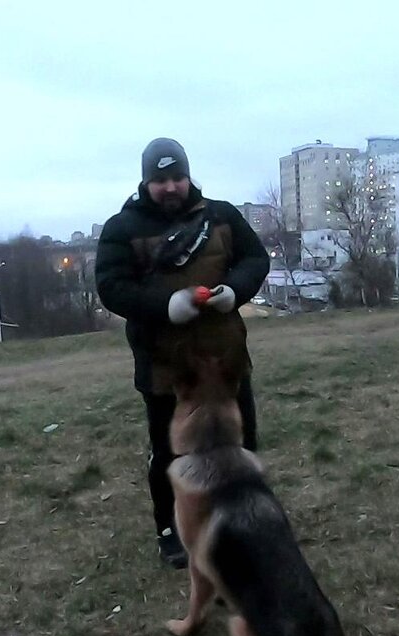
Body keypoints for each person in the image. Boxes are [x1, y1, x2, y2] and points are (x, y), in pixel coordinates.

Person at [94, 137, 270, 569]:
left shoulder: (223, 216)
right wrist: (164, 307)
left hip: (225, 360)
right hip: (164, 366)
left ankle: (244, 522)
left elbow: (255, 259)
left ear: (188, 176)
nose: (170, 187)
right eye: (160, 180)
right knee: (170, 455)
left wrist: (235, 290)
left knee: (241, 445)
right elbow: (112, 287)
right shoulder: (122, 228)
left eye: (177, 177)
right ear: (145, 181)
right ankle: (171, 530)